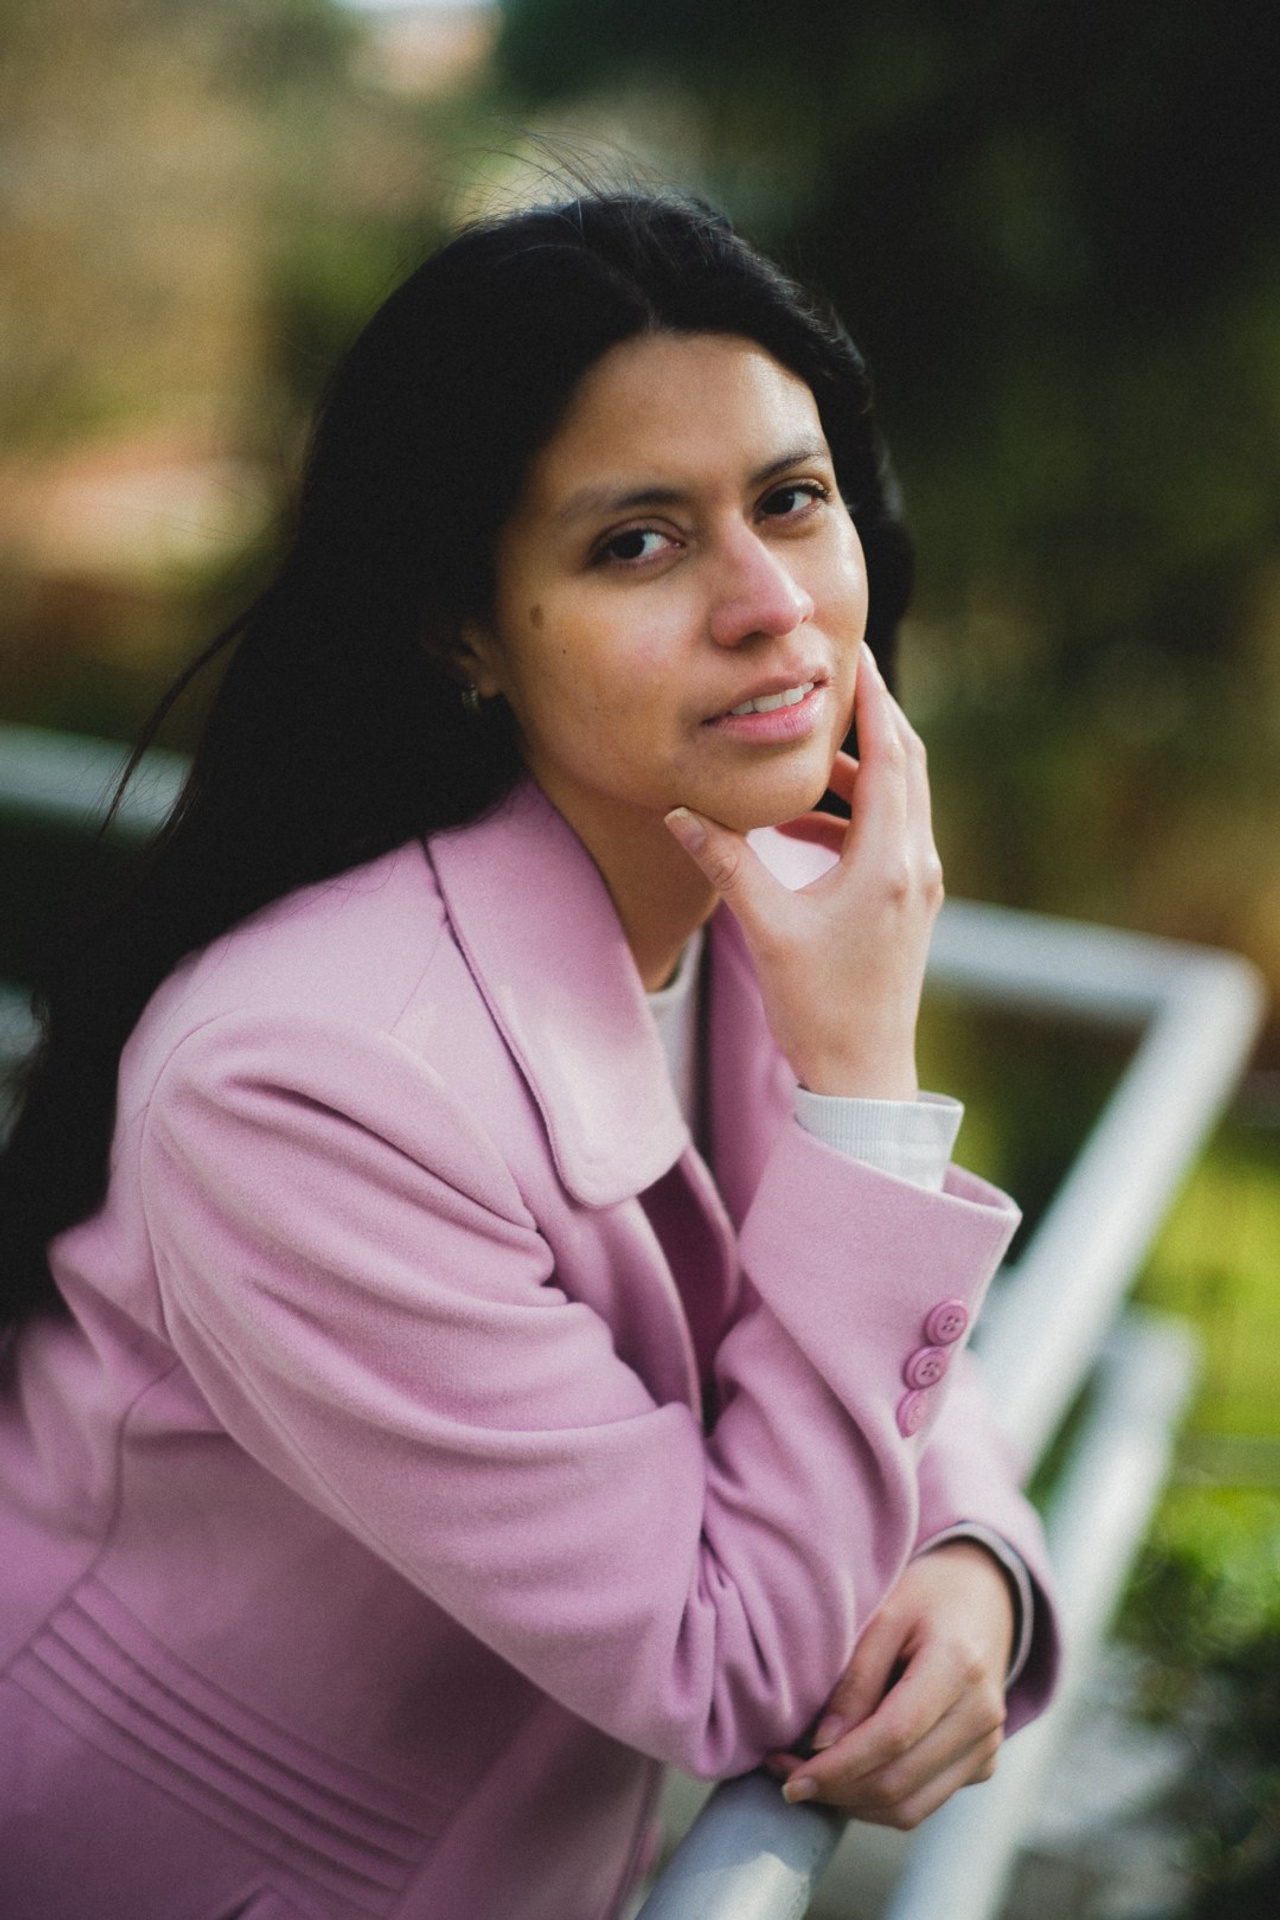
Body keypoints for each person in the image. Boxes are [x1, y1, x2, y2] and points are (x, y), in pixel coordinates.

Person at [0, 191, 1059, 1920]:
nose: (769, 603)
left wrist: (970, 1553)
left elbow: (854, 1337)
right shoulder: (304, 1085)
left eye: (792, 502)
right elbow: (730, 1656)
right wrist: (867, 1081)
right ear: (463, 631)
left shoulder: (726, 894)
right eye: (636, 542)